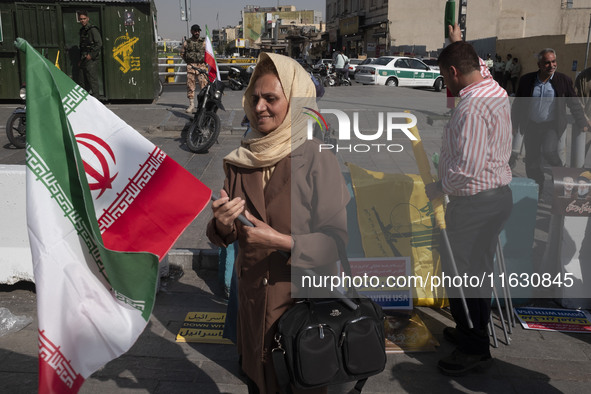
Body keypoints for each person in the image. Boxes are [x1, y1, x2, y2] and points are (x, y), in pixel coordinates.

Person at [206, 52, 349, 393]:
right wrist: (223, 224)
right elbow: (222, 235)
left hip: (304, 311)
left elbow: (336, 242)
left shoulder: (317, 158)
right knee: (258, 382)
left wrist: (280, 241)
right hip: (254, 309)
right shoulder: (240, 160)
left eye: (271, 98)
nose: (259, 108)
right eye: (254, 99)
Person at [425, 24, 513, 376]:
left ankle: (474, 347)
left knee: (460, 275)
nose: (445, 85)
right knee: (475, 271)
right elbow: (476, 64)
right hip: (494, 198)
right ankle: (468, 330)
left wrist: (440, 186)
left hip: (476, 202)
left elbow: (469, 167)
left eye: (445, 77)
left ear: (453, 72)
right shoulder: (494, 88)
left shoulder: (471, 108)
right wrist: (457, 42)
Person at [511, 48, 590, 192]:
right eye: (547, 63)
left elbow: (573, 103)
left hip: (551, 127)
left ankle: (560, 174)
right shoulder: (527, 80)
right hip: (531, 126)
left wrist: (582, 122)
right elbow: (518, 104)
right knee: (532, 160)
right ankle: (537, 189)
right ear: (539, 65)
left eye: (554, 61)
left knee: (549, 151)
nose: (552, 65)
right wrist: (513, 124)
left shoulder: (563, 80)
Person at [181, 24, 208, 113]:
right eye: (195, 31)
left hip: (201, 67)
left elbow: (208, 53)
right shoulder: (187, 43)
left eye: (198, 31)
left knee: (203, 86)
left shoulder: (204, 42)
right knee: (190, 86)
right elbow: (182, 54)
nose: (197, 32)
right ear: (191, 31)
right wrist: (189, 62)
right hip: (191, 67)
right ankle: (191, 104)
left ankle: (202, 105)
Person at [78, 10, 102, 98]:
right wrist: (80, 60)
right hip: (83, 58)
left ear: (87, 19)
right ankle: (85, 101)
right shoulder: (82, 31)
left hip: (91, 59)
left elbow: (99, 44)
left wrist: (91, 55)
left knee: (92, 81)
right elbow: (82, 46)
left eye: (84, 19)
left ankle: (97, 102)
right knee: (82, 81)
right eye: (81, 19)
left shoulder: (92, 30)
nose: (82, 21)